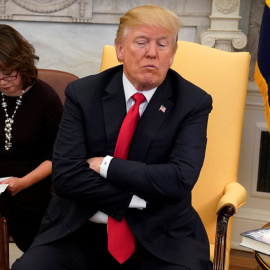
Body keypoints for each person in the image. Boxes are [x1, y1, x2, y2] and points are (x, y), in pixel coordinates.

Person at [12, 5, 213, 270]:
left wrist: (105, 165)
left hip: (161, 235)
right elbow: (66, 176)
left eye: (162, 44)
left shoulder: (192, 102)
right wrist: (135, 199)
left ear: (172, 54)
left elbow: (178, 180)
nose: (152, 52)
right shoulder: (83, 94)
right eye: (141, 42)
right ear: (120, 49)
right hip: (80, 230)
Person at [0, 24, 63, 252]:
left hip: (31, 183)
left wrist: (23, 182)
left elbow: (56, 156)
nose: (1, 82)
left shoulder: (45, 98)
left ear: (22, 65)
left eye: (8, 74)